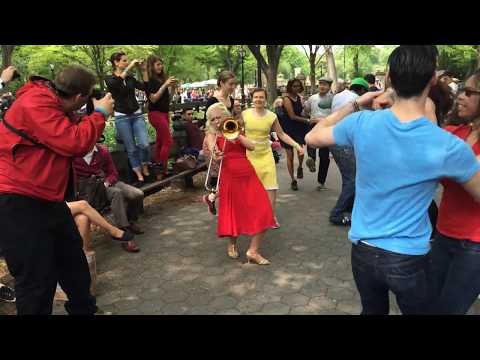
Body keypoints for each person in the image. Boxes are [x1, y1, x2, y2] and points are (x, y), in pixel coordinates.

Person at [306, 45, 480, 315]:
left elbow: (313, 136)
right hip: (407, 257)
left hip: (362, 252)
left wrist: (355, 104)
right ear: (433, 78)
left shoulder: (361, 123)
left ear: (389, 78)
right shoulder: (446, 145)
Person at [0, 65, 114, 315]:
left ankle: (85, 310)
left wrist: (92, 115)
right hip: (18, 199)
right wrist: (101, 115)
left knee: (74, 267)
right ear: (78, 97)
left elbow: (76, 137)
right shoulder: (36, 103)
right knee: (36, 280)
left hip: (48, 198)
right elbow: (74, 142)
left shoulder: (55, 104)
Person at [429, 68, 480, 314]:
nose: (460, 96)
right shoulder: (455, 133)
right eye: (462, 90)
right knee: (429, 304)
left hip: (474, 244)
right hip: (443, 233)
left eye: (470, 93)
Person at [206, 103, 275, 265]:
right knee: (233, 212)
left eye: (219, 117)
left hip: (248, 174)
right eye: (213, 119)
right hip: (229, 177)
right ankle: (232, 244)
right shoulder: (211, 135)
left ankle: (253, 251)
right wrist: (217, 154)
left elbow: (251, 146)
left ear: (225, 116)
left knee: (265, 209)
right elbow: (214, 154)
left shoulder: (234, 129)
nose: (217, 121)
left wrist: (235, 134)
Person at [243, 88, 304, 229]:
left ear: (265, 99)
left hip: (265, 155)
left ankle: (270, 216)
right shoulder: (244, 114)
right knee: (249, 188)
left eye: (261, 97)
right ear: (252, 99)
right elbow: (235, 132)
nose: (258, 99)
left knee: (271, 187)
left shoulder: (271, 116)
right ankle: (250, 215)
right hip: (249, 155)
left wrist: (297, 145)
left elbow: (281, 134)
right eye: (256, 97)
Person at [73, 144, 145, 253]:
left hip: (108, 182)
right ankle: (123, 231)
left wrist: (107, 182)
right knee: (117, 194)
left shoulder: (102, 151)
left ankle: (130, 221)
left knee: (137, 194)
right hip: (90, 190)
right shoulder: (73, 155)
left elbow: (113, 172)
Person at [327, 77, 369, 226]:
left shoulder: (337, 96)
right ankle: (337, 213)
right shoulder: (358, 99)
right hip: (345, 142)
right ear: (363, 90)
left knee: (348, 178)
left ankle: (349, 208)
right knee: (353, 179)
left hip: (334, 139)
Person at [105, 52, 150, 183]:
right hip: (122, 116)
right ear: (116, 62)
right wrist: (130, 66)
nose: (127, 62)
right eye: (124, 61)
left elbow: (145, 87)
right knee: (131, 148)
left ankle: (145, 164)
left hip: (136, 114)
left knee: (144, 143)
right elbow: (117, 85)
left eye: (127, 61)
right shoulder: (109, 79)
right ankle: (138, 173)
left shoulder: (130, 78)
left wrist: (144, 71)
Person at [145, 55, 175, 180]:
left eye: (161, 64)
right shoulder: (150, 81)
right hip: (155, 114)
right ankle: (163, 169)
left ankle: (159, 171)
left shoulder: (161, 79)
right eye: (158, 64)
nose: (160, 67)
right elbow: (153, 98)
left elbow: (168, 99)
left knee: (160, 142)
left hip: (164, 112)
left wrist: (172, 88)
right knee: (168, 141)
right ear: (151, 66)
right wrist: (165, 85)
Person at [67, 200, 135, 253]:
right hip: (57, 209)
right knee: (83, 204)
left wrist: (90, 215)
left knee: (83, 218)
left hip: (64, 205)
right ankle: (113, 231)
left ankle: (85, 255)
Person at [278, 79, 310, 191]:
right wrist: (307, 120)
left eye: (298, 86)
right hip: (288, 128)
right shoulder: (286, 99)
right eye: (294, 86)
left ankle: (300, 167)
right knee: (290, 155)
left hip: (299, 128)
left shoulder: (299, 98)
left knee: (300, 151)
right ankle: (293, 180)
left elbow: (302, 112)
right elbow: (292, 116)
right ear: (290, 87)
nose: (296, 88)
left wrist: (305, 107)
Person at [304, 76, 334, 191]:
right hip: (313, 125)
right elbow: (306, 110)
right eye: (320, 84)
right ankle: (311, 159)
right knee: (310, 143)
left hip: (326, 127)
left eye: (325, 84)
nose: (322, 86)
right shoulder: (312, 98)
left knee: (324, 156)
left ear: (329, 86)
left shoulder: (333, 99)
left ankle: (321, 182)